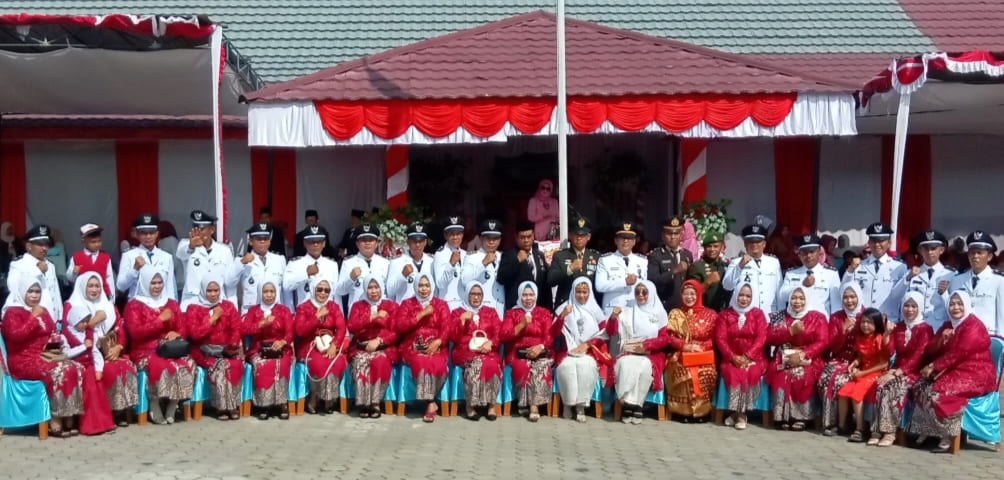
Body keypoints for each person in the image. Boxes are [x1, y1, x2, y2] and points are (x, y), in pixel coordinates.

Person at [906, 290, 997, 453]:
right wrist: (942, 340)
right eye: (952, 304)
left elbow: (960, 352)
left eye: (960, 304)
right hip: (952, 370)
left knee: (941, 392)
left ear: (967, 305)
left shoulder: (974, 326)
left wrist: (933, 367)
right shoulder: (948, 324)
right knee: (920, 386)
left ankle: (947, 436)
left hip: (976, 373)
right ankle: (927, 430)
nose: (956, 307)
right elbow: (931, 348)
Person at [1, 277, 84, 438]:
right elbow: (16, 336)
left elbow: (52, 330)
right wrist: (33, 318)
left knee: (75, 367)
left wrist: (54, 341)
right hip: (22, 360)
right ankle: (55, 418)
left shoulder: (43, 311)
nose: (34, 295)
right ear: (22, 292)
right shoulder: (12, 313)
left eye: (37, 291)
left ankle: (70, 416)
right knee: (58, 371)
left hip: (45, 356)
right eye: (30, 291)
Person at [62, 272, 139, 428]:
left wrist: (119, 347)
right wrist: (93, 322)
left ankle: (121, 411)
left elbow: (120, 330)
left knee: (124, 366)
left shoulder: (109, 306)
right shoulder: (71, 305)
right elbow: (70, 331)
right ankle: (105, 415)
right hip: (83, 354)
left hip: (108, 350)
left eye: (97, 286)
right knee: (105, 370)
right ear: (82, 286)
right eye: (90, 286)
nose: (94, 289)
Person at [123, 267, 193, 425]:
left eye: (160, 282)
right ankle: (154, 404)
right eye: (153, 282)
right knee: (158, 365)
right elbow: (135, 332)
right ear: (144, 282)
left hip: (170, 349)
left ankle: (172, 404)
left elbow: (183, 326)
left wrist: (177, 333)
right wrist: (159, 320)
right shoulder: (134, 305)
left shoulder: (172, 303)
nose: (157, 286)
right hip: (145, 350)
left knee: (187, 364)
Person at [869, 291, 935, 446]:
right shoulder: (898, 327)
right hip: (897, 369)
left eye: (913, 306)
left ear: (920, 308)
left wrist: (898, 372)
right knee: (878, 386)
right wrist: (886, 334)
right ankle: (876, 430)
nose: (909, 310)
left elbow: (918, 355)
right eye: (906, 305)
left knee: (893, 389)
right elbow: (889, 352)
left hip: (915, 373)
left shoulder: (926, 329)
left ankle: (890, 432)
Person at [766, 286, 829, 431]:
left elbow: (823, 341)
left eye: (801, 298)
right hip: (783, 356)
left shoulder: (817, 317)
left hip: (809, 357)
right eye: (794, 298)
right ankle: (782, 416)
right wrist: (790, 332)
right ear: (788, 300)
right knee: (782, 375)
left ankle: (802, 417)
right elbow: (769, 338)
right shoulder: (779, 316)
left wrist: (803, 354)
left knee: (802, 375)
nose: (797, 302)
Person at [553, 277, 614, 423]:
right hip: (568, 351)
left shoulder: (596, 310)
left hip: (589, 351)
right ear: (573, 292)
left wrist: (587, 345)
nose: (581, 295)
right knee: (568, 367)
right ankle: (568, 404)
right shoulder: (563, 308)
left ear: (589, 292)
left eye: (585, 292)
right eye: (578, 292)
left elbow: (606, 333)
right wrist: (562, 316)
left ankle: (580, 406)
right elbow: (553, 332)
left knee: (586, 367)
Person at [609, 280, 670, 425]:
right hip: (630, 351)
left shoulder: (660, 312)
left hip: (652, 353)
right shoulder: (628, 310)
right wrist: (612, 318)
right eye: (637, 292)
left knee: (643, 367)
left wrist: (646, 345)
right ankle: (629, 404)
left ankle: (637, 405)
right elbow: (610, 331)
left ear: (652, 293)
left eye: (644, 292)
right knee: (624, 364)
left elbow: (665, 338)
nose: (641, 295)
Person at [394, 272, 450, 422]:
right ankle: (431, 403)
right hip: (412, 346)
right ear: (415, 286)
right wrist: (420, 315)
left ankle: (429, 402)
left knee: (436, 362)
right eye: (420, 285)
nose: (423, 289)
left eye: (426, 285)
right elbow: (399, 327)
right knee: (420, 361)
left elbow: (446, 327)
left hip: (435, 345)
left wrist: (439, 341)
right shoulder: (407, 304)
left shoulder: (440, 304)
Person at [185, 276, 243, 421]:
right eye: (209, 290)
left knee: (234, 364)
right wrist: (212, 319)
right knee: (220, 366)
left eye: (216, 290)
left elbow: (236, 329)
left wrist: (231, 346)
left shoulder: (228, 306)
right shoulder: (194, 308)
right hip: (203, 351)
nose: (213, 294)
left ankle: (233, 405)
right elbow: (195, 334)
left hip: (225, 350)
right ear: (203, 291)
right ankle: (222, 407)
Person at [714, 283, 768, 430]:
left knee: (751, 372)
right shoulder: (725, 315)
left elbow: (761, 337)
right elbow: (720, 339)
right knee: (734, 373)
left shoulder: (758, 314)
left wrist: (748, 356)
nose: (744, 299)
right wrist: (733, 357)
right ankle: (740, 415)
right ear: (735, 295)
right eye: (741, 295)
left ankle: (738, 414)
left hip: (754, 358)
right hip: (730, 358)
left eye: (748, 296)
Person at [500, 281, 555, 422]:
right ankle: (524, 402)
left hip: (540, 352)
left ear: (536, 296)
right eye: (524, 295)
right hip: (517, 353)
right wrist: (522, 324)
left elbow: (549, 336)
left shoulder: (543, 313)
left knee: (540, 366)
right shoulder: (512, 313)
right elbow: (504, 335)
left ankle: (533, 405)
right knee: (522, 366)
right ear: (519, 295)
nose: (528, 298)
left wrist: (540, 347)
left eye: (531, 295)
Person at [664, 279, 718, 420]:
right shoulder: (675, 314)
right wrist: (685, 346)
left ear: (699, 294)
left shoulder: (711, 314)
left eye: (692, 294)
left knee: (705, 371)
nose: (689, 297)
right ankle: (682, 412)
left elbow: (715, 338)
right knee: (683, 371)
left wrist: (701, 347)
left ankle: (702, 412)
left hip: (702, 354)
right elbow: (669, 337)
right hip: (680, 353)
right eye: (685, 294)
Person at [450, 282, 504, 421]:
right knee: (476, 364)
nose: (476, 297)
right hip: (465, 351)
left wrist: (491, 343)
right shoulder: (457, 312)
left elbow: (499, 332)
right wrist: (462, 321)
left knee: (493, 363)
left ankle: (491, 405)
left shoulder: (490, 312)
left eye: (479, 294)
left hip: (488, 350)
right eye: (472, 294)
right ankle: (470, 406)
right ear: (467, 295)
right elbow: (454, 337)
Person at [294, 277, 347, 415]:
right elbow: (299, 330)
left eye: (327, 290)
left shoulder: (333, 307)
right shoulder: (303, 307)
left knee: (338, 361)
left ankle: (329, 399)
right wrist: (316, 316)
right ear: (313, 289)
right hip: (309, 346)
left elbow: (341, 328)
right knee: (320, 362)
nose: (323, 293)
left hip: (329, 344)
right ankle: (314, 398)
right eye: (319, 289)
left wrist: (334, 345)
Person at [346, 276, 398, 418]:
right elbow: (351, 326)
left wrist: (379, 340)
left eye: (376, 287)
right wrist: (371, 318)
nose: (373, 291)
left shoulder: (391, 306)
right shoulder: (358, 306)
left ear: (382, 288)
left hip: (382, 347)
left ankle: (375, 403)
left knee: (379, 361)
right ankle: (364, 403)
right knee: (360, 361)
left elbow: (395, 331)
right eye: (370, 287)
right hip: (360, 347)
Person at [242, 281, 294, 420]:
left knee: (281, 364)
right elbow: (244, 329)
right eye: (265, 292)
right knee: (262, 364)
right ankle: (263, 405)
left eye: (272, 291)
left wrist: (283, 341)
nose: (269, 295)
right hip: (258, 349)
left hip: (280, 348)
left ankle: (282, 404)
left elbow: (290, 332)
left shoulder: (284, 310)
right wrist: (261, 323)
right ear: (260, 293)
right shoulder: (253, 310)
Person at [836, 308, 889, 442]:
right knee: (843, 392)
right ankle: (842, 426)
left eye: (869, 322)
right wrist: (854, 363)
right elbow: (861, 356)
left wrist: (862, 373)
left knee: (856, 394)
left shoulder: (879, 338)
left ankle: (860, 429)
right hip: (863, 371)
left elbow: (884, 364)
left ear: (876, 324)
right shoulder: (861, 338)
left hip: (875, 372)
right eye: (863, 322)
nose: (865, 325)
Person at [818, 283, 864, 436]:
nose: (849, 301)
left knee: (839, 380)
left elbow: (869, 345)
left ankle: (842, 423)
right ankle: (830, 423)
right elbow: (834, 347)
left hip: (859, 362)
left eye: (852, 297)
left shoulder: (866, 316)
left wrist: (857, 362)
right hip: (838, 359)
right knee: (825, 378)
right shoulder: (837, 317)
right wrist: (843, 330)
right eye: (845, 297)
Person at [888, 229, 954, 329]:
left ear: (941, 250)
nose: (929, 252)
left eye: (933, 248)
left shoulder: (951, 275)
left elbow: (956, 307)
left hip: (938, 327)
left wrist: (944, 294)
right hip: (915, 327)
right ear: (920, 250)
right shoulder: (912, 273)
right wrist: (908, 278)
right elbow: (895, 296)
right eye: (926, 248)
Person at [842, 223, 907, 322]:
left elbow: (903, 298)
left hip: (888, 320)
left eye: (881, 241)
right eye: (873, 241)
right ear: (869, 242)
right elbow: (845, 289)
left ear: (889, 243)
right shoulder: (859, 265)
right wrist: (850, 270)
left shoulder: (899, 267)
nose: (877, 244)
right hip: (864, 322)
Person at [945, 231, 1004, 335]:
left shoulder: (999, 281)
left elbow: (1002, 316)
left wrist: (1001, 343)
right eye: (972, 253)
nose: (975, 256)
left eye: (979, 253)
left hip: (988, 336)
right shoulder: (957, 280)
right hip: (962, 335)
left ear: (989, 257)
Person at [175, 210, 235, 312]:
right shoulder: (185, 245)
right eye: (195, 228)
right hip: (192, 302)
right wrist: (191, 246)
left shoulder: (224, 251)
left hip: (217, 303)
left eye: (201, 229)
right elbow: (180, 254)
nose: (197, 232)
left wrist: (233, 307)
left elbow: (230, 282)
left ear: (211, 230)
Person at [231, 222, 289, 314]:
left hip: (275, 313)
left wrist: (289, 311)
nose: (262, 242)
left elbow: (285, 290)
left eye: (265, 239)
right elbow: (229, 282)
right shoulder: (241, 260)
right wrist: (241, 263)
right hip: (251, 313)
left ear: (270, 241)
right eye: (259, 239)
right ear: (250, 241)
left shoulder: (279, 259)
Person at [723, 223, 782, 314]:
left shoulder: (773, 262)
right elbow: (727, 286)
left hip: (769, 314)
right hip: (746, 316)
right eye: (750, 241)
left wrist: (780, 318)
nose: (754, 244)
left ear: (764, 244)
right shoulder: (736, 262)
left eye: (758, 241)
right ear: (745, 244)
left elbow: (779, 292)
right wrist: (739, 267)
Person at [117, 214, 178, 301]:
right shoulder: (129, 255)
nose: (148, 236)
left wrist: (172, 308)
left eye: (151, 232)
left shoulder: (166, 257)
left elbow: (170, 288)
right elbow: (121, 286)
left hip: (161, 307)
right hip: (138, 307)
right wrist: (134, 269)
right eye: (144, 233)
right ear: (137, 234)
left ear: (157, 233)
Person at [780, 233, 841, 316]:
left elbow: (836, 305)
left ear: (819, 251)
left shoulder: (831, 274)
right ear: (799, 254)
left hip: (821, 325)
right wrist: (801, 285)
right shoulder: (792, 273)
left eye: (812, 252)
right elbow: (782, 296)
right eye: (804, 252)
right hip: (798, 323)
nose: (808, 256)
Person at [547, 216, 601, 308]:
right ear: (570, 235)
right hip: (566, 305)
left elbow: (599, 285)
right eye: (576, 234)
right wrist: (569, 269)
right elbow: (551, 280)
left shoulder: (596, 256)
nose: (579, 238)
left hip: (589, 306)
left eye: (582, 235)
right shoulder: (560, 256)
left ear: (588, 237)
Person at [499, 220, 552, 311]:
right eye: (522, 237)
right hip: (517, 309)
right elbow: (501, 278)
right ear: (516, 237)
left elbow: (546, 286)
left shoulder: (539, 255)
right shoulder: (509, 255)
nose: (526, 240)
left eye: (529, 236)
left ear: (533, 235)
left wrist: (549, 309)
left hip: (538, 309)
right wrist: (517, 261)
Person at [596, 220, 648, 314]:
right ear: (616, 241)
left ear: (634, 241)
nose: (625, 241)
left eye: (629, 238)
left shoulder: (643, 261)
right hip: (613, 310)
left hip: (634, 309)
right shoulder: (605, 260)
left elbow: (644, 287)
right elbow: (599, 286)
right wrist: (624, 282)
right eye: (622, 238)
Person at [284, 224, 340, 309]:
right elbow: (286, 286)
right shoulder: (295, 263)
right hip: (304, 316)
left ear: (324, 243)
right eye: (311, 241)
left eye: (319, 241)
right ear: (305, 243)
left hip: (327, 316)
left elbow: (336, 294)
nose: (315, 245)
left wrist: (340, 316)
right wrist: (305, 274)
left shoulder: (332, 264)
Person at [337, 223, 390, 309]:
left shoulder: (385, 263)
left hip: (380, 313)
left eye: (371, 240)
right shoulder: (348, 263)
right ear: (357, 243)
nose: (367, 243)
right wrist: (351, 278)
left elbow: (389, 291)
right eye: (364, 240)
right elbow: (340, 291)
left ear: (376, 243)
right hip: (357, 314)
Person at [647, 216, 693, 312]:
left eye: (676, 233)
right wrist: (674, 271)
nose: (673, 237)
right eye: (669, 233)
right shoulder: (656, 256)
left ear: (681, 235)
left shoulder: (687, 254)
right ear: (663, 235)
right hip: (664, 308)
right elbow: (652, 280)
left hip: (684, 307)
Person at [460, 219, 505, 316]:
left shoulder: (503, 257)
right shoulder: (472, 257)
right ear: (480, 239)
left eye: (495, 238)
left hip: (500, 308)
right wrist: (483, 263)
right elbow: (464, 280)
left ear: (500, 240)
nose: (491, 242)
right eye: (488, 238)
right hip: (482, 310)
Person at [66, 223, 116, 302]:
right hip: (82, 297)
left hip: (102, 296)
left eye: (99, 241)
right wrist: (74, 273)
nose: (97, 244)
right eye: (93, 242)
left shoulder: (106, 257)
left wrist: (112, 297)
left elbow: (109, 278)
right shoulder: (76, 257)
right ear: (83, 241)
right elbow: (70, 278)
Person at [387, 223, 434, 303]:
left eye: (420, 241)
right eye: (414, 241)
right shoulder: (397, 262)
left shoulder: (432, 261)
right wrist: (402, 276)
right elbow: (389, 292)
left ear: (425, 242)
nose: (417, 245)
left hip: (426, 309)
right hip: (405, 311)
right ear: (408, 242)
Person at [687, 232, 730, 311]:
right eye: (709, 246)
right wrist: (708, 282)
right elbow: (691, 295)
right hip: (704, 313)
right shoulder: (697, 267)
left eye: (716, 246)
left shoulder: (725, 266)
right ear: (704, 248)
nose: (712, 249)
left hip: (723, 313)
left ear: (721, 247)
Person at [432, 216, 467, 309]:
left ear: (462, 235)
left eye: (458, 233)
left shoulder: (465, 254)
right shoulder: (440, 254)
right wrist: (451, 264)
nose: (455, 237)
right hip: (448, 306)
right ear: (446, 235)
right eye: (452, 234)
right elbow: (440, 284)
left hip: (464, 306)